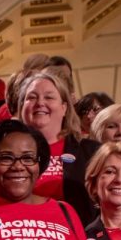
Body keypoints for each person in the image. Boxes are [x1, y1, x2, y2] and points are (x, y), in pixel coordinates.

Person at [18, 70, 100, 226]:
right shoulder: (3, 153)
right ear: (22, 107)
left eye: (49, 97)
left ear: (64, 108)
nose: (40, 103)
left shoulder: (92, 153)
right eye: (32, 97)